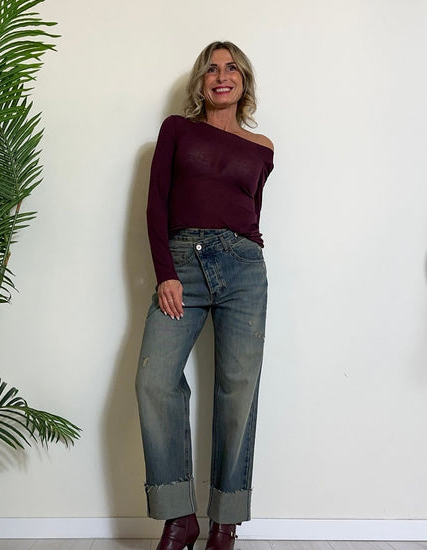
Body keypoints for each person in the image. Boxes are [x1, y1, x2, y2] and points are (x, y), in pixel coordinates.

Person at [135, 41, 274, 550]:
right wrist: (165, 273)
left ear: (243, 80)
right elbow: (156, 203)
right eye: (212, 69)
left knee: (238, 390)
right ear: (201, 81)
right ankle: (179, 518)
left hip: (244, 269)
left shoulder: (263, 148)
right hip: (183, 264)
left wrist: (243, 251)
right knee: (154, 380)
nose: (222, 76)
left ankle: (225, 523)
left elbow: (250, 211)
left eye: (231, 68)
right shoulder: (177, 129)